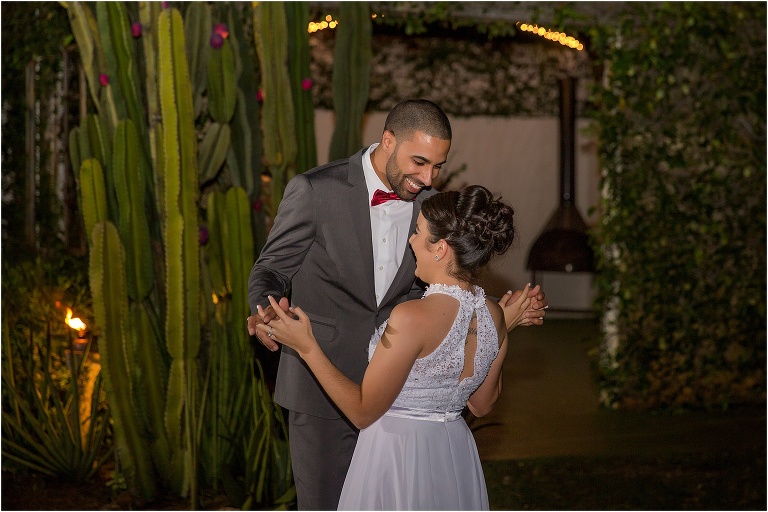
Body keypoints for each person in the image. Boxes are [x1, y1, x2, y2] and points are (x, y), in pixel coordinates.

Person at [247, 99, 547, 510]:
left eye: (438, 166)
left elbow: (441, 292)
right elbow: (271, 269)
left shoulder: (433, 210)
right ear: (388, 140)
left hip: (402, 391)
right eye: (420, 162)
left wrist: (491, 317)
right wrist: (266, 313)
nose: (428, 178)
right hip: (320, 394)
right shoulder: (316, 190)